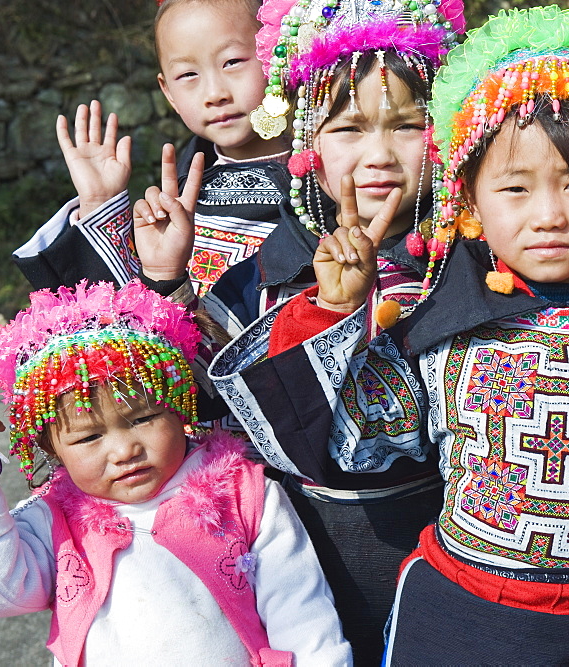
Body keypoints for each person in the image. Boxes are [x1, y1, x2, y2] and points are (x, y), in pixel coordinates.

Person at [249, 7, 569, 662]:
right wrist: (333, 310)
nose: (548, 215)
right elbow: (357, 439)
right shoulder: (439, 320)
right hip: (459, 621)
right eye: (514, 186)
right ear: (470, 202)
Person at [128, 0, 464, 661]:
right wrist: (168, 281)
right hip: (292, 564)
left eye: (406, 125)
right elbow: (195, 405)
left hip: (442, 573)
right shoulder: (268, 274)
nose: (378, 154)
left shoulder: (470, 267)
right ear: (307, 142)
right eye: (347, 128)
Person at [0, 281, 351, 666]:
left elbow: (304, 621)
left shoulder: (246, 498)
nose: (124, 450)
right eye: (89, 438)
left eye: (143, 418)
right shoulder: (54, 521)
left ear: (180, 408)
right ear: (53, 450)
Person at [12, 0, 293, 298]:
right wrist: (98, 203)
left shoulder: (324, 184)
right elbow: (125, 320)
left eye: (232, 62)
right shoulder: (176, 200)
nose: (215, 94)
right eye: (188, 75)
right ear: (168, 92)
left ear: (278, 55)